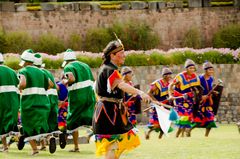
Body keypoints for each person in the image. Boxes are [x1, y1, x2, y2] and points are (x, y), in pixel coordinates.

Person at [92, 39, 151, 159]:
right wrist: (140, 92)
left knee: (114, 148)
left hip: (110, 110)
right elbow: (121, 85)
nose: (124, 55)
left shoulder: (107, 68)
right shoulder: (109, 69)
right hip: (107, 113)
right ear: (112, 55)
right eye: (121, 52)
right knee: (111, 147)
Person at [17, 49, 52, 155]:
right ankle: (50, 138)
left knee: (27, 125)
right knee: (41, 124)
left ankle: (35, 150)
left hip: (29, 103)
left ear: (25, 61)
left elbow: (22, 84)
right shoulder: (41, 72)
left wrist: (18, 87)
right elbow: (50, 84)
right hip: (43, 101)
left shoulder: (23, 71)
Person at [61, 49, 96, 152]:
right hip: (90, 96)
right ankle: (105, 140)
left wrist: (64, 82)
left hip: (77, 98)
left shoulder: (68, 66)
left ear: (66, 60)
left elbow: (71, 78)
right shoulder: (85, 66)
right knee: (90, 120)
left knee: (72, 121)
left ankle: (75, 146)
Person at [33, 53, 59, 153]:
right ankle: (44, 145)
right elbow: (56, 87)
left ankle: (48, 138)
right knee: (47, 122)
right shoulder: (48, 72)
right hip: (54, 98)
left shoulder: (37, 73)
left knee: (39, 122)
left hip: (44, 98)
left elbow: (49, 84)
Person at [168, 59, 201, 137]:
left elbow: (196, 88)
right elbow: (170, 85)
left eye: (193, 68)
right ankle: (184, 132)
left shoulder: (195, 76)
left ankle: (180, 135)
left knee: (187, 116)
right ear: (186, 68)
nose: (192, 70)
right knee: (183, 116)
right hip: (179, 98)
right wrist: (170, 95)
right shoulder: (180, 76)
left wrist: (197, 93)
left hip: (189, 98)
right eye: (190, 68)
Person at [145, 67, 173, 140]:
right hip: (157, 106)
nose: (170, 77)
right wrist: (156, 101)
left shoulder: (169, 84)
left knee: (165, 123)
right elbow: (149, 93)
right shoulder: (157, 84)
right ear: (164, 75)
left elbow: (170, 94)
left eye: (170, 75)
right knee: (156, 124)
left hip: (166, 106)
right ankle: (148, 132)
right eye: (168, 75)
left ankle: (160, 138)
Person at [0, 53, 20, 152]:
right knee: (12, 123)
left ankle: (5, 147)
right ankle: (19, 137)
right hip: (14, 101)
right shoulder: (12, 71)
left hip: (2, 100)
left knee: (1, 124)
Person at [192, 61, 217, 137]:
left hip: (208, 102)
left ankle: (206, 136)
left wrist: (214, 92)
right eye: (210, 70)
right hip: (200, 102)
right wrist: (201, 96)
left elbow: (209, 89)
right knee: (198, 121)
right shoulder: (199, 78)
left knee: (211, 120)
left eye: (212, 70)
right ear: (205, 70)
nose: (211, 71)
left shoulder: (211, 79)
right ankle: (189, 130)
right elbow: (195, 89)